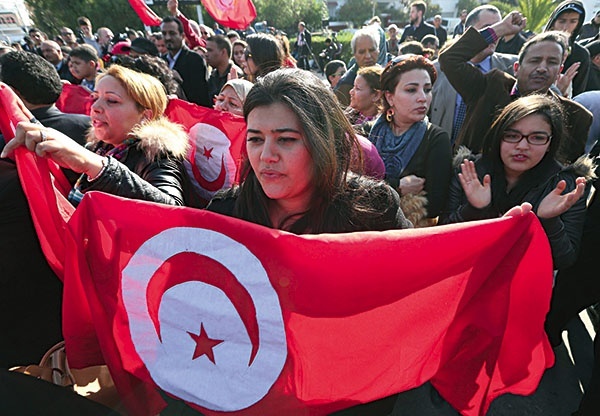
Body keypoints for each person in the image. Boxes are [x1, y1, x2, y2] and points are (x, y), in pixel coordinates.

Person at [440, 94, 593, 272]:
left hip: (524, 282)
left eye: (537, 138)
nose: (522, 146)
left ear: (551, 143)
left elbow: (564, 259)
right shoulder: (470, 171)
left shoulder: (567, 186)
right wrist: (474, 209)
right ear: (498, 137)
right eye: (512, 136)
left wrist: (549, 221)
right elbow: (443, 238)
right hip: (469, 275)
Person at [2, 65, 190, 207]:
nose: (95, 107)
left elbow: (172, 208)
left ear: (145, 116)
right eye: (95, 97)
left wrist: (95, 165)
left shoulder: (157, 155)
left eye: (111, 101)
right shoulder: (98, 148)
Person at [439, 11, 593, 164]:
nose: (542, 68)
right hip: (470, 182)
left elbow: (569, 173)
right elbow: (450, 58)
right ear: (516, 68)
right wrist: (500, 29)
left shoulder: (575, 116)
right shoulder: (490, 86)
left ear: (560, 70)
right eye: (535, 60)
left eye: (552, 62)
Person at [369, 54, 451, 227]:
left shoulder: (436, 138)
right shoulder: (367, 133)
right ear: (390, 97)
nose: (422, 97)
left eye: (427, 89)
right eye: (411, 90)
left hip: (411, 236)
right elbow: (351, 189)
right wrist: (396, 186)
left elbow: (436, 205)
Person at [430, 5, 518, 143]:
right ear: (467, 33)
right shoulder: (436, 70)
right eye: (490, 28)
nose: (495, 35)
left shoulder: (512, 68)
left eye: (500, 28)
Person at [160, 15, 210, 107]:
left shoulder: (194, 60)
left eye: (172, 33)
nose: (167, 38)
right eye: (164, 33)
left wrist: (179, 82)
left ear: (182, 36)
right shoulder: (160, 61)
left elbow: (201, 97)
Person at [544, 0, 590, 97]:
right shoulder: (536, 46)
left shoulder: (581, 55)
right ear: (553, 22)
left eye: (573, 21)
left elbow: (578, 93)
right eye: (562, 21)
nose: (565, 27)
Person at [334, 27, 380, 106]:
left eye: (372, 50)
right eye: (362, 52)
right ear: (354, 55)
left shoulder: (385, 75)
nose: (368, 56)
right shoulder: (346, 85)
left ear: (378, 50)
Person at [205, 34, 244, 102]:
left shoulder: (237, 75)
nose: (206, 54)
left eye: (210, 50)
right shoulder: (214, 74)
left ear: (223, 52)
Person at [345, 66, 383, 136]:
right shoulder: (348, 116)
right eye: (353, 87)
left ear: (376, 95)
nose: (351, 92)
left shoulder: (380, 129)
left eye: (357, 88)